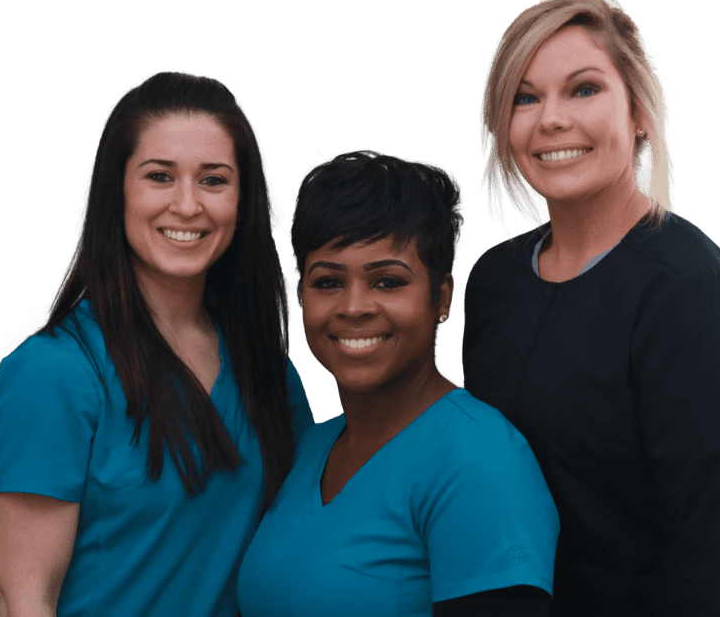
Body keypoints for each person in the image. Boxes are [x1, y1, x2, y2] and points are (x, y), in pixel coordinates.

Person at [464, 0, 720, 616]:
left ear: (638, 112)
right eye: (525, 97)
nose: (550, 119)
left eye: (583, 89)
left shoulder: (690, 292)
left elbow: (712, 555)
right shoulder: (496, 282)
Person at [0, 71, 314, 617]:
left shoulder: (269, 374)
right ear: (118, 192)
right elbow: (25, 595)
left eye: (214, 180)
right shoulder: (53, 374)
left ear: (242, 199)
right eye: (159, 176)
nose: (187, 205)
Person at [237, 150, 559, 617]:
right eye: (327, 282)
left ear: (441, 297)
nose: (353, 306)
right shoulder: (309, 447)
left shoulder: (479, 460)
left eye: (387, 281)